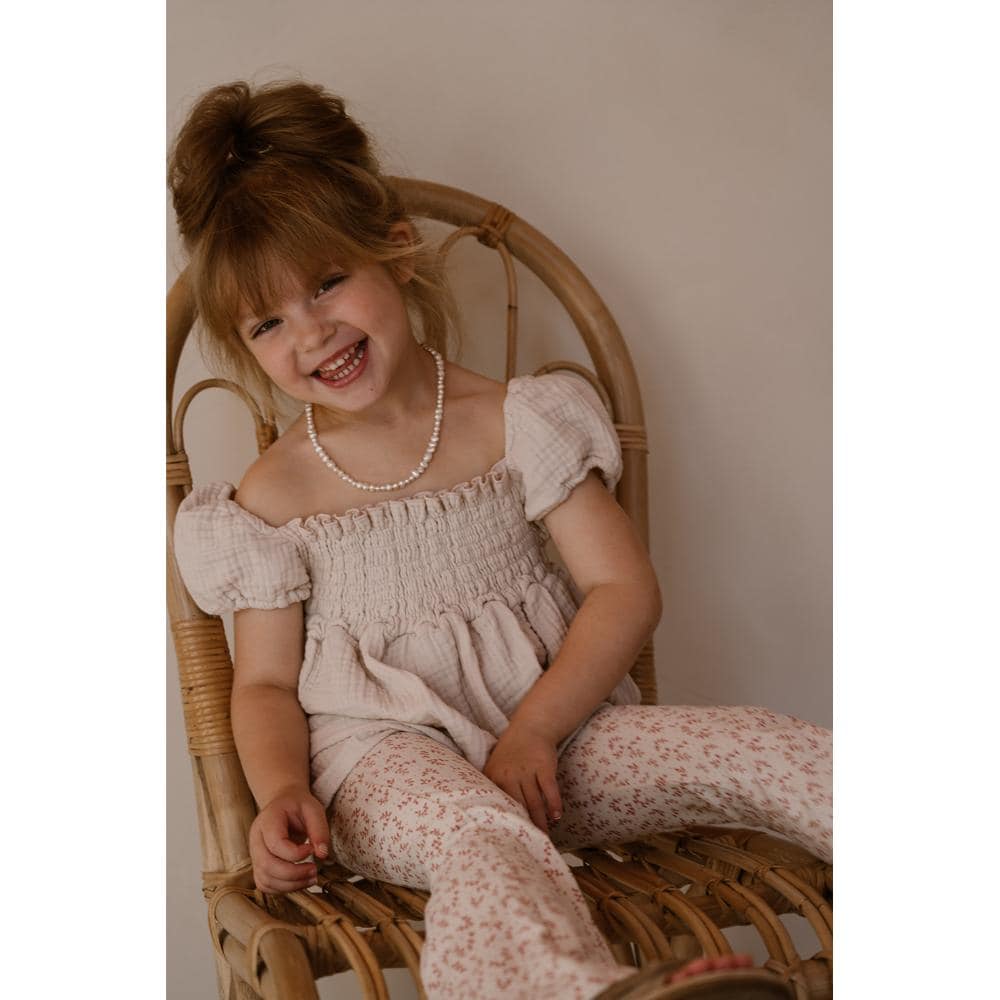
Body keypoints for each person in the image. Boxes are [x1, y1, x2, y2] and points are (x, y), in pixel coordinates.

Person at [169, 79, 831, 1000]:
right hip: (386, 768)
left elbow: (624, 589)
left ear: (398, 252)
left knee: (754, 744)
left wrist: (536, 730)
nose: (311, 333)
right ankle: (583, 992)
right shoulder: (273, 494)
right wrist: (283, 789)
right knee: (481, 837)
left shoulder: (517, 420)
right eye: (269, 322)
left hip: (557, 736)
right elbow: (267, 684)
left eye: (327, 283)